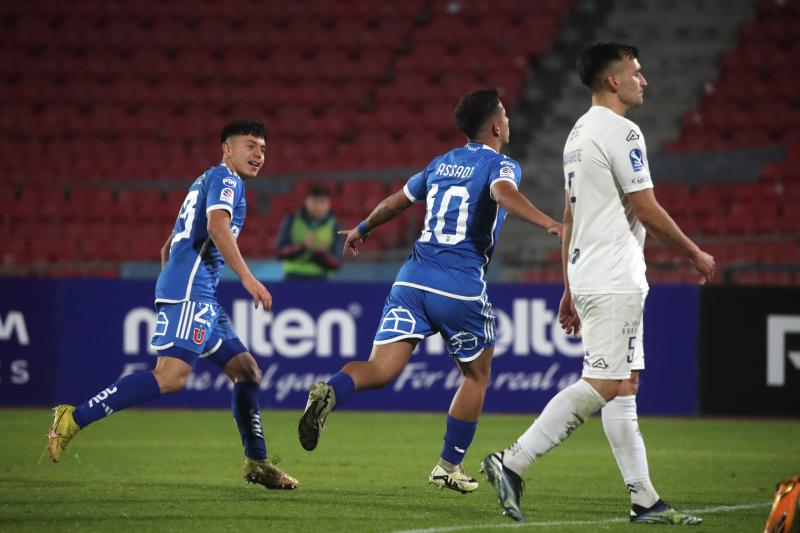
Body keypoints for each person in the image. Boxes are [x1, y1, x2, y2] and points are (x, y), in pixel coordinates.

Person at [480, 42, 715, 524]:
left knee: (624, 384)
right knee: (605, 382)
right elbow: (646, 207)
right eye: (636, 72)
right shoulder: (622, 132)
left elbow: (571, 216)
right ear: (613, 80)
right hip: (613, 275)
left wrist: (569, 286)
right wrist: (694, 252)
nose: (643, 80)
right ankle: (512, 461)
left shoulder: (577, 134)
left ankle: (644, 499)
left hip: (593, 272)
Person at [297, 88, 562, 493]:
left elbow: (396, 201)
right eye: (505, 115)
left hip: (410, 280)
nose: (508, 121)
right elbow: (502, 194)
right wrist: (549, 223)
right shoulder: (501, 165)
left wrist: (362, 228)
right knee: (476, 376)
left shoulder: (441, 163)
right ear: (495, 127)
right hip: (459, 286)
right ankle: (447, 466)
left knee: (379, 369)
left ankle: (331, 390)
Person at [46, 120, 299, 490]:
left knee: (247, 372)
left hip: (197, 293)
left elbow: (167, 246)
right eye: (249, 145)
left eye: (262, 148)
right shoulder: (227, 180)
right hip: (192, 292)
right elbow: (217, 227)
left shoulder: (206, 180)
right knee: (170, 377)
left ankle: (258, 462)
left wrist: (175, 283)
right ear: (226, 149)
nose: (258, 154)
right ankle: (73, 418)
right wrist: (246, 277)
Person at [275, 184, 342, 280]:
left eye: (322, 202)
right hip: (292, 276)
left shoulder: (334, 225)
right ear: (306, 202)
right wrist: (302, 247)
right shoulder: (291, 220)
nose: (317, 206)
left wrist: (322, 254)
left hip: (321, 278)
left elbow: (337, 262)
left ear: (328, 204)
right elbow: (279, 253)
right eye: (314, 201)